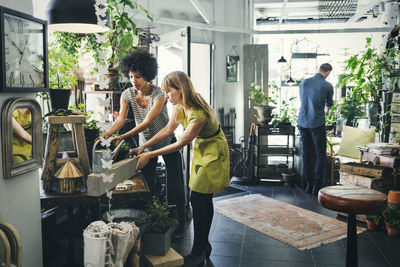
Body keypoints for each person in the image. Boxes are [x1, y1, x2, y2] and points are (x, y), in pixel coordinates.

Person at [135, 71, 230, 267]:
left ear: (181, 90)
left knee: (198, 197)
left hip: (213, 150)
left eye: (168, 91)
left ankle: (198, 251)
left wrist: (149, 155)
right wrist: (143, 146)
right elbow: (168, 130)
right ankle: (204, 245)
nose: (166, 95)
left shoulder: (199, 114)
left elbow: (179, 144)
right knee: (202, 198)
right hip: (202, 148)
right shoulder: (179, 107)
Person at [98, 50, 186, 239]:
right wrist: (107, 134)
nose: (134, 80)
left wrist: (122, 137)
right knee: (146, 186)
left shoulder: (160, 94)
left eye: (138, 76)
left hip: (166, 142)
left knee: (175, 184)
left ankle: (181, 221)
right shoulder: (127, 94)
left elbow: (147, 121)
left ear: (147, 74)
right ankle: (150, 223)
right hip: (144, 145)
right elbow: (120, 120)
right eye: (130, 76)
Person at [297, 63, 333, 195]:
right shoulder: (327, 85)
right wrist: (325, 113)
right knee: (320, 154)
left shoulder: (304, 82)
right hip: (317, 123)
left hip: (302, 121)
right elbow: (328, 105)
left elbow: (303, 100)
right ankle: (317, 186)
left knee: (307, 153)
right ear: (328, 72)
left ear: (319, 69)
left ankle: (308, 184)